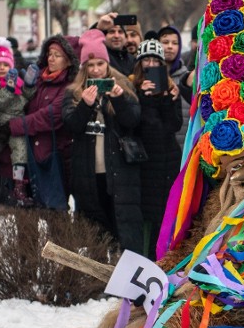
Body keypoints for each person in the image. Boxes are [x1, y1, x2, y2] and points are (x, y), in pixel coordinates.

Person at [62, 29, 143, 253]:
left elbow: (133, 122)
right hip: (88, 173)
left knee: (123, 229)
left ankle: (124, 279)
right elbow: (71, 126)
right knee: (95, 230)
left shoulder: (123, 86)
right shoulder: (74, 92)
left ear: (107, 64)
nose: (96, 69)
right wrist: (84, 106)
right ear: (84, 68)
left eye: (100, 63)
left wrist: (118, 101)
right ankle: (97, 280)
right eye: (91, 65)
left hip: (119, 172)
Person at [5, 34, 78, 207]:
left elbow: (49, 116)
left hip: (55, 159)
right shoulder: (37, 80)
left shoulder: (70, 86)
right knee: (29, 216)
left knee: (55, 212)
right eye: (49, 53)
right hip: (30, 157)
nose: (51, 58)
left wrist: (14, 126)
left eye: (57, 55)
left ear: (68, 61)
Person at [130, 39, 182, 259]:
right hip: (144, 163)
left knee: (165, 215)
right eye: (146, 59)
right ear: (139, 63)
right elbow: (138, 126)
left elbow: (173, 126)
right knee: (145, 218)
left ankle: (163, 259)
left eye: (155, 60)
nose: (151, 64)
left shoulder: (170, 88)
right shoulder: (131, 87)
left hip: (167, 161)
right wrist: (143, 98)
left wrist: (168, 100)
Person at [0, 37, 37, 206]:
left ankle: (20, 182)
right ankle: (18, 185)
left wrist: (28, 85)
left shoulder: (14, 79)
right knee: (19, 148)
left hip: (19, 120)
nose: (2, 68)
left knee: (23, 150)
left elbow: (27, 98)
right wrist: (8, 89)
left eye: (5, 65)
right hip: (4, 122)